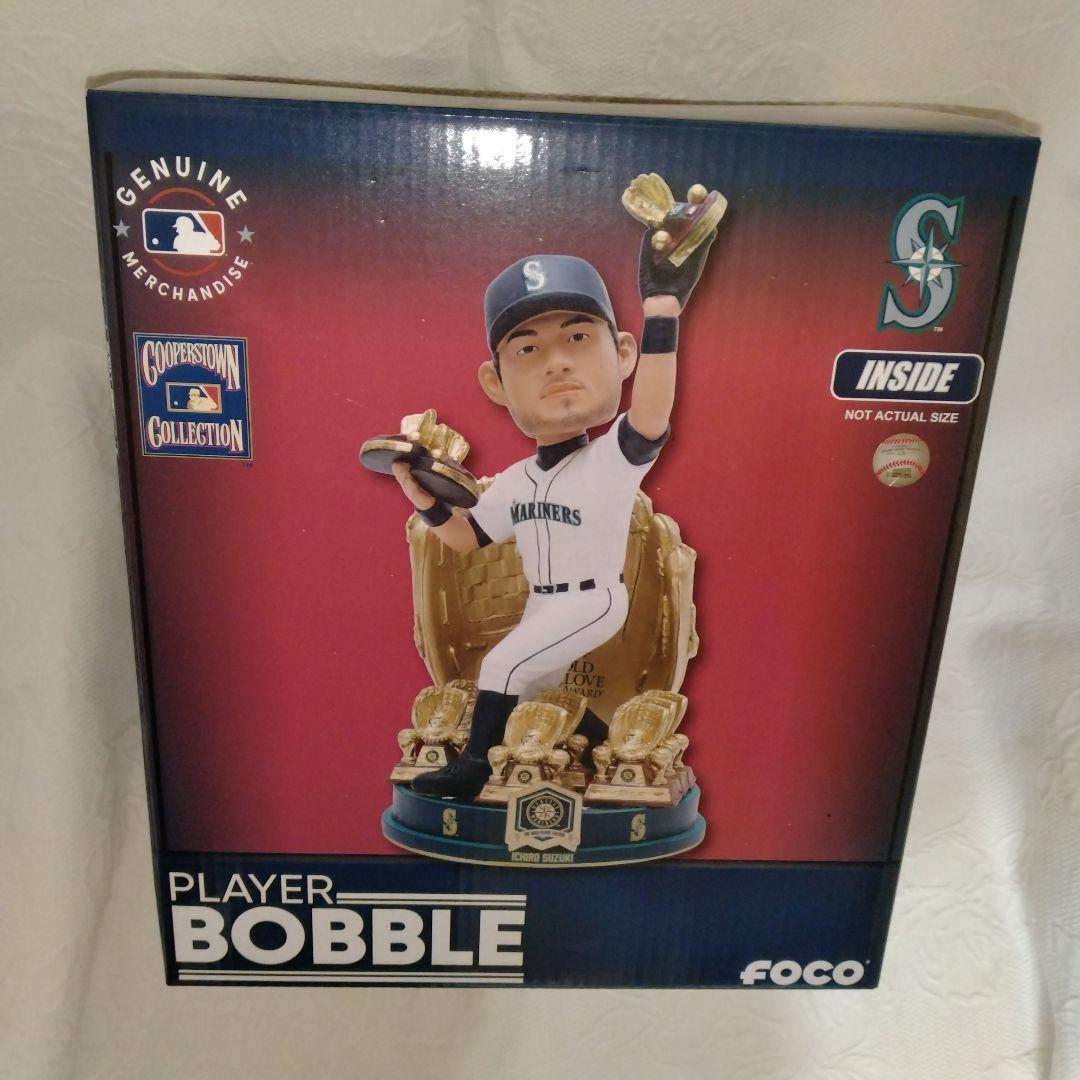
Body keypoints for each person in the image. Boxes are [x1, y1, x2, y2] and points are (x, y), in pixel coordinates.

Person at [392, 226, 717, 800]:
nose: (556, 363)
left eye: (578, 337)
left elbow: (651, 413)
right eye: (528, 349)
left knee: (502, 667)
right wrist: (422, 497)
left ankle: (473, 769)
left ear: (621, 354)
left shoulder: (610, 459)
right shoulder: (517, 479)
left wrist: (663, 309)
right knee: (532, 693)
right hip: (544, 602)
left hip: (594, 599)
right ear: (495, 382)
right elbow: (467, 539)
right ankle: (593, 743)